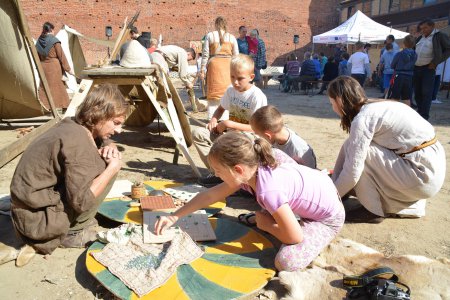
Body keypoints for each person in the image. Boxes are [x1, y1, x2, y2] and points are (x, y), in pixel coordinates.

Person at [155, 132, 344, 271]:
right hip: (318, 188)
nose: (216, 176)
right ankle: (281, 214)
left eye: (218, 171)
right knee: (275, 187)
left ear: (237, 169)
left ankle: (276, 218)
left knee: (285, 262)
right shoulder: (253, 166)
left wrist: (268, 225)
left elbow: (294, 237)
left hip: (328, 217)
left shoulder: (268, 191)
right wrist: (173, 217)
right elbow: (210, 195)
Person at [9, 84, 127, 267]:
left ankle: (72, 225)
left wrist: (109, 144)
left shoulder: (74, 124)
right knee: (106, 166)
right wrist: (112, 168)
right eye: (116, 123)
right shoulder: (78, 145)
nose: (119, 130)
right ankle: (73, 233)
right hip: (37, 223)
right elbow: (82, 201)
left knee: (104, 157)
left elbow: (100, 138)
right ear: (99, 114)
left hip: (27, 211)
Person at [328, 76, 445, 222]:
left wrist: (328, 200)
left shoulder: (363, 118)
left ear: (339, 100)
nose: (332, 107)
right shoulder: (377, 105)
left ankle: (373, 210)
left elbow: (352, 172)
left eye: (331, 103)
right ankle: (335, 187)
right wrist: (336, 184)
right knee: (352, 145)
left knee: (362, 156)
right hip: (430, 167)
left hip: (422, 175)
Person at [193, 54, 267, 187]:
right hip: (230, 134)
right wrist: (214, 120)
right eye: (232, 77)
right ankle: (217, 173)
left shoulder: (257, 96)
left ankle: (236, 179)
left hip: (248, 138)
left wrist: (228, 123)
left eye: (240, 78)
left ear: (251, 77)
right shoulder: (230, 90)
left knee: (229, 145)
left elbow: (258, 128)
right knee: (198, 133)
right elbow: (220, 108)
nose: (235, 82)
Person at [250, 105, 317, 169]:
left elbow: (308, 173)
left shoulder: (298, 150)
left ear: (268, 135)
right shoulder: (278, 132)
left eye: (258, 134)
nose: (257, 136)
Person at [200, 16, 239, 118]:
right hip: (228, 66)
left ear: (216, 24)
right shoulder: (232, 37)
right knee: (227, 91)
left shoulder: (210, 35)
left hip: (214, 66)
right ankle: (226, 118)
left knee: (213, 93)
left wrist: (202, 70)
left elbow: (205, 54)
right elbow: (236, 56)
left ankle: (212, 118)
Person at [414, 19, 450, 120]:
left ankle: (424, 115)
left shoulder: (439, 36)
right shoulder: (420, 37)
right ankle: (420, 111)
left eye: (425, 28)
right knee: (417, 92)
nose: (423, 30)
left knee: (426, 92)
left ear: (432, 26)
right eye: (422, 28)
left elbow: (448, 49)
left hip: (428, 68)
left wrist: (436, 62)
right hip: (416, 67)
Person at [35, 22, 73, 110]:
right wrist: (68, 69)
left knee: (45, 87)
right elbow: (61, 56)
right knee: (59, 86)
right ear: (51, 30)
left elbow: (36, 56)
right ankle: (64, 106)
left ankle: (45, 107)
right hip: (54, 68)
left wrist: (38, 67)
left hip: (43, 67)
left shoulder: (39, 41)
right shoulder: (54, 41)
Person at [157, 45, 197, 111]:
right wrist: (188, 83)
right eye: (189, 59)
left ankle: (161, 106)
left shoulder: (178, 50)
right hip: (160, 59)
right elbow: (182, 74)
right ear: (188, 53)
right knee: (165, 86)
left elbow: (172, 63)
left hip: (156, 56)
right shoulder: (183, 53)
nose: (187, 61)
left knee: (159, 85)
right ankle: (165, 108)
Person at [390, 35, 417, 106]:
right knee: (407, 97)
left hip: (398, 75)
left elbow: (392, 65)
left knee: (395, 96)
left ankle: (393, 113)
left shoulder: (399, 54)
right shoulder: (415, 54)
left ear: (404, 43)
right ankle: (407, 114)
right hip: (409, 76)